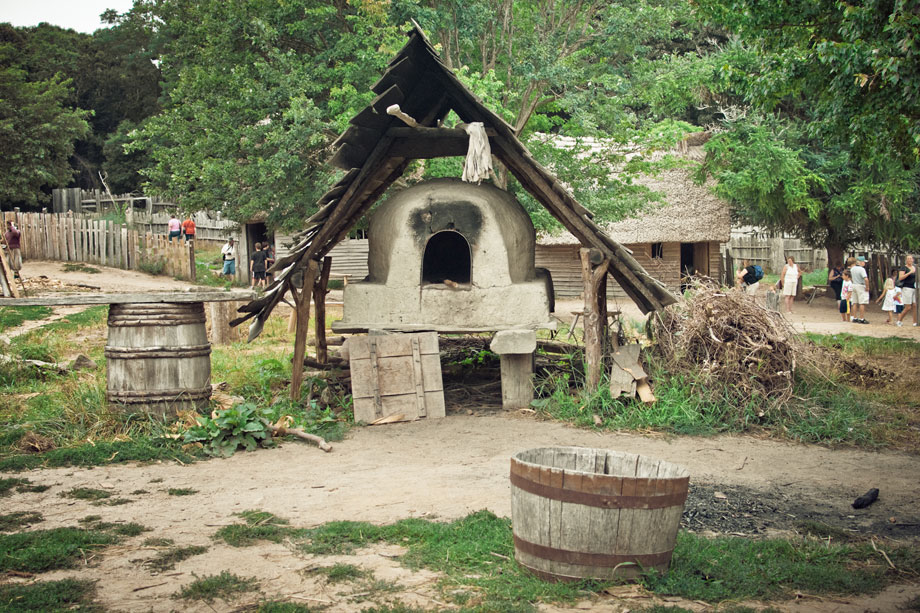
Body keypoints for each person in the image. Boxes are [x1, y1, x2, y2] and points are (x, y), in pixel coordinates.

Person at [849, 256, 870, 324]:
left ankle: (855, 317)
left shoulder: (852, 269)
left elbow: (851, 278)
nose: (864, 263)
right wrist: (867, 287)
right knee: (862, 302)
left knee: (854, 302)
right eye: (863, 262)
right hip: (861, 285)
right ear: (860, 262)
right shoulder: (862, 269)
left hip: (854, 285)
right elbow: (865, 279)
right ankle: (861, 318)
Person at [896, 254, 916, 327]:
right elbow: (900, 278)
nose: (909, 260)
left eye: (911, 258)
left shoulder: (915, 267)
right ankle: (899, 320)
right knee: (908, 307)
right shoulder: (904, 268)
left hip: (915, 288)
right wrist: (910, 272)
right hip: (907, 288)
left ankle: (915, 322)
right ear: (906, 260)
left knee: (915, 305)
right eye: (908, 259)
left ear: (913, 260)